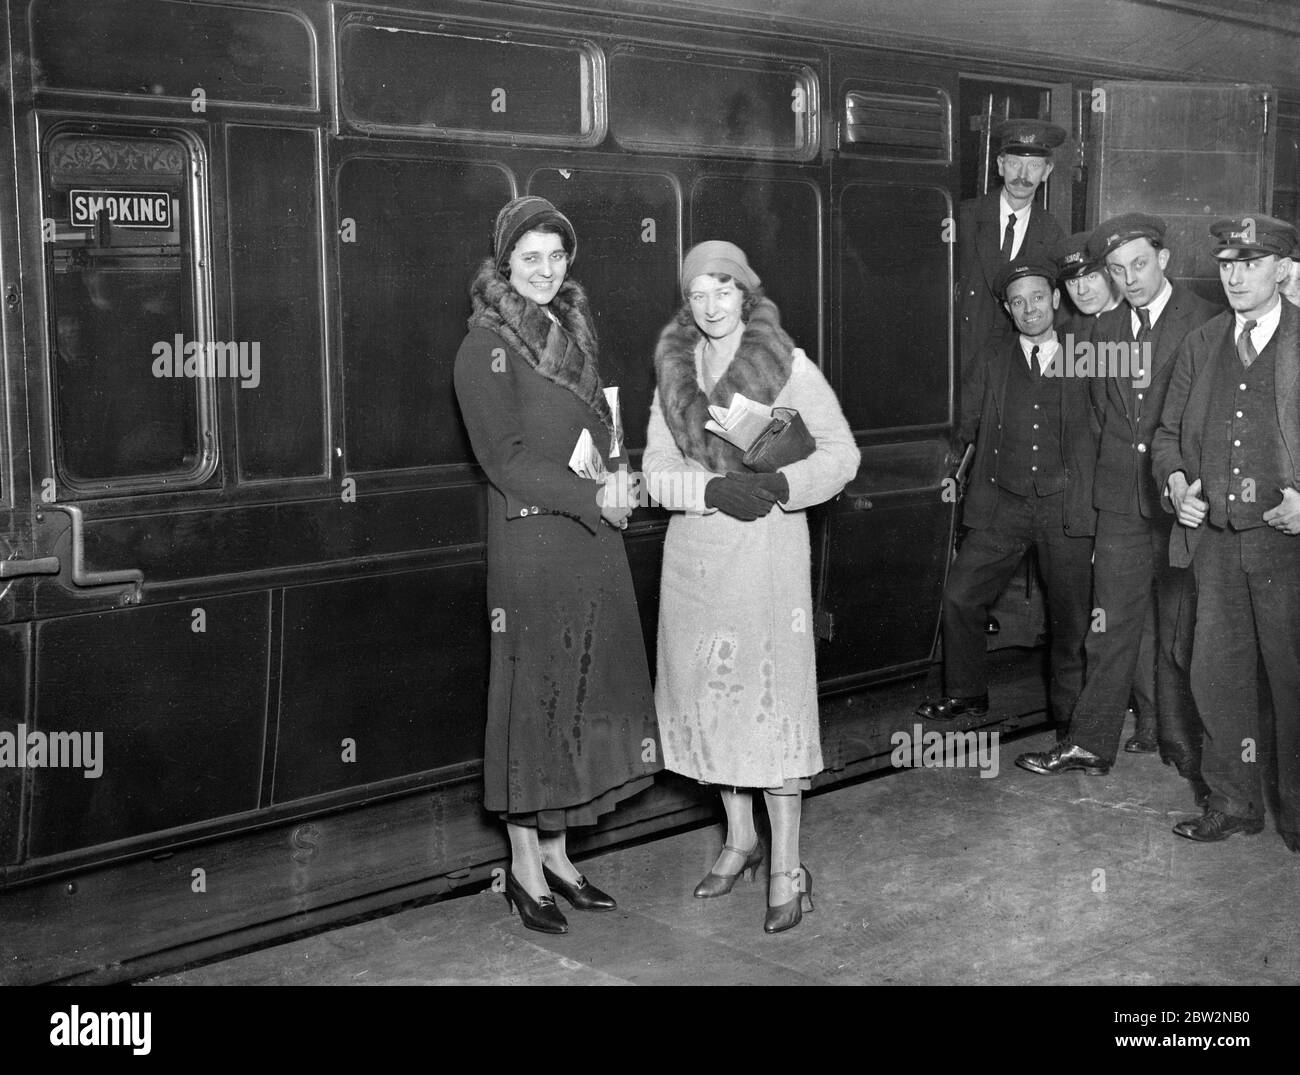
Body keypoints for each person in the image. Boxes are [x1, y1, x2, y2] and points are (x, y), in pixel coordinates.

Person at [452, 195, 661, 933]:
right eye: (528, 257)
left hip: (587, 537)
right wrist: (590, 496)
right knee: (534, 701)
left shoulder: (573, 328)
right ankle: (523, 867)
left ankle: (562, 857)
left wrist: (621, 472)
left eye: (555, 255)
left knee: (579, 694)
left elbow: (598, 421)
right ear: (504, 264)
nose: (544, 269)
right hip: (535, 544)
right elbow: (505, 461)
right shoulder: (483, 348)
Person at [641, 241, 859, 934]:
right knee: (711, 706)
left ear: (745, 293)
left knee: (770, 712)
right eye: (698, 293)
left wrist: (779, 484)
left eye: (723, 290)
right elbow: (652, 471)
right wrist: (709, 487)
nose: (710, 306)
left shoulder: (786, 364)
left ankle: (788, 867)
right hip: (696, 562)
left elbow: (842, 455)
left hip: (765, 558)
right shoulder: (673, 371)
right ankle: (740, 839)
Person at [1018, 215, 1217, 797]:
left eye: (1139, 264)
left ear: (1164, 260)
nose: (1129, 278)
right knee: (1109, 625)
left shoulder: (1206, 319)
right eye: (1118, 269)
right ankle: (1090, 742)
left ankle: (1181, 741)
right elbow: (1104, 416)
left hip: (1185, 499)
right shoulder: (1103, 332)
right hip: (1123, 498)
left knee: (1182, 628)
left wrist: (1188, 485)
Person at [1152, 214, 1300, 847]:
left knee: (1293, 680)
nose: (1236, 276)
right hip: (1215, 544)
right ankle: (1234, 801)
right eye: (1228, 264)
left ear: (1285, 269)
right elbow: (1164, 438)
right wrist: (1179, 485)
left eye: (1252, 262)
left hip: (1286, 546)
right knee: (1216, 675)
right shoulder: (1203, 341)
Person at [918, 259, 1097, 729]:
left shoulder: (1088, 354)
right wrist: (951, 472)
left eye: (1038, 297)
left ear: (1056, 299)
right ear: (1007, 309)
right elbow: (968, 425)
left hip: (1064, 506)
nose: (1029, 309)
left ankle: (1072, 723)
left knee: (1071, 619)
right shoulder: (994, 358)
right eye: (1017, 302)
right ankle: (966, 693)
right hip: (1004, 504)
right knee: (960, 594)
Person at [957, 119, 1066, 444]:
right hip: (960, 361)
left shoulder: (1053, 232)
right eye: (1015, 163)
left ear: (1047, 172)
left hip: (1011, 368)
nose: (1023, 174)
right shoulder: (962, 217)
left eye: (1034, 166)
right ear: (1000, 165)